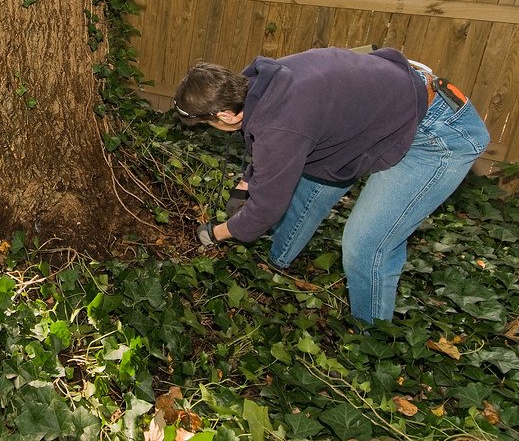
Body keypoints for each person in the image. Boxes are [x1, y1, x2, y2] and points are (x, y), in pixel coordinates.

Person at [172, 47, 489, 324]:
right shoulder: (259, 82)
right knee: (311, 182)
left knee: (365, 245)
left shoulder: (281, 125)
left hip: (438, 132)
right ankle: (275, 264)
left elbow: (265, 208)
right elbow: (272, 141)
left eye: (207, 122)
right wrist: (245, 185)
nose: (210, 128)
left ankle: (373, 341)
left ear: (226, 115)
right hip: (381, 106)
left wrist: (215, 233)